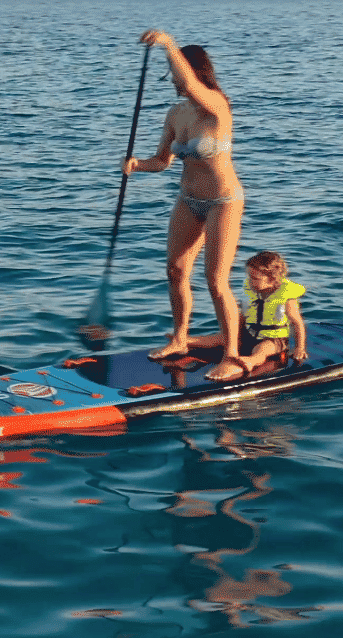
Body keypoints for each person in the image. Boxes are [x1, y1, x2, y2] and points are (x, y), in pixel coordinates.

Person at [123, 28, 249, 378]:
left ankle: (233, 355)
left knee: (215, 280)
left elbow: (190, 84)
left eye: (179, 75)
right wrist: (137, 165)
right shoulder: (176, 114)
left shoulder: (216, 106)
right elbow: (162, 161)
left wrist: (167, 43)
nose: (175, 83)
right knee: (176, 271)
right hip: (188, 200)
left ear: (193, 72)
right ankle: (180, 338)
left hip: (223, 201)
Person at [183, 251, 309, 379]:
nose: (250, 281)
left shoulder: (286, 296)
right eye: (249, 277)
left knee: (262, 349)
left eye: (255, 279)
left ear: (271, 279)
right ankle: (187, 341)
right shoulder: (252, 291)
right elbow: (243, 316)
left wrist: (299, 348)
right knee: (222, 338)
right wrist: (235, 334)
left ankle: (250, 361)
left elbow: (297, 323)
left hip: (274, 340)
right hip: (250, 334)